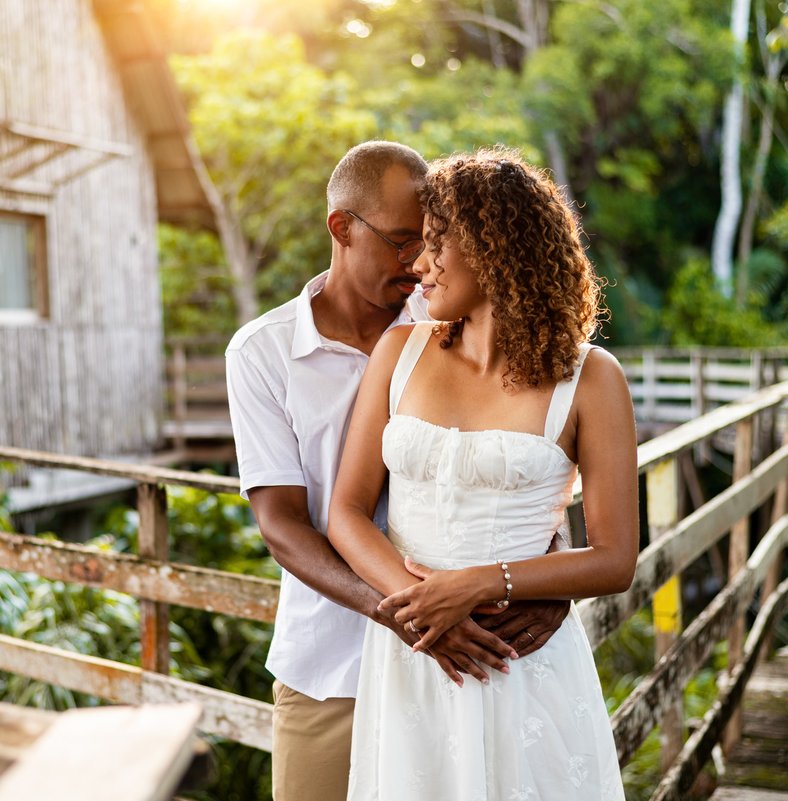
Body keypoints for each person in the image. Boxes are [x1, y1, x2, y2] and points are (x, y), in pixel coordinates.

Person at [225, 141, 573, 801]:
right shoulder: (263, 353)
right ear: (342, 228)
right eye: (401, 241)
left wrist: (546, 574)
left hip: (474, 657)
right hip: (331, 666)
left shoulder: (450, 320)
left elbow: (532, 454)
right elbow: (281, 524)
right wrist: (404, 613)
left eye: (431, 241)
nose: (418, 262)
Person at [328, 147, 638, 800]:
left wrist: (481, 583)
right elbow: (346, 512)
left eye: (437, 243)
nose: (418, 264)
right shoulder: (400, 351)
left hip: (519, 664)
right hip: (412, 659)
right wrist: (420, 613)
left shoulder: (592, 379)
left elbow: (615, 558)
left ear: (495, 247)